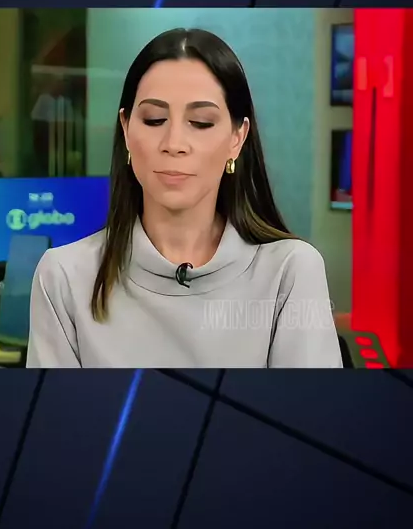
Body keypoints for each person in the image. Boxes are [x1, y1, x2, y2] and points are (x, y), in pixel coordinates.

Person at [27, 28, 342, 369]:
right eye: (154, 120)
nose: (174, 143)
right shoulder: (63, 278)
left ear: (237, 138)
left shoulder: (289, 271)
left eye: (200, 122)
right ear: (127, 129)